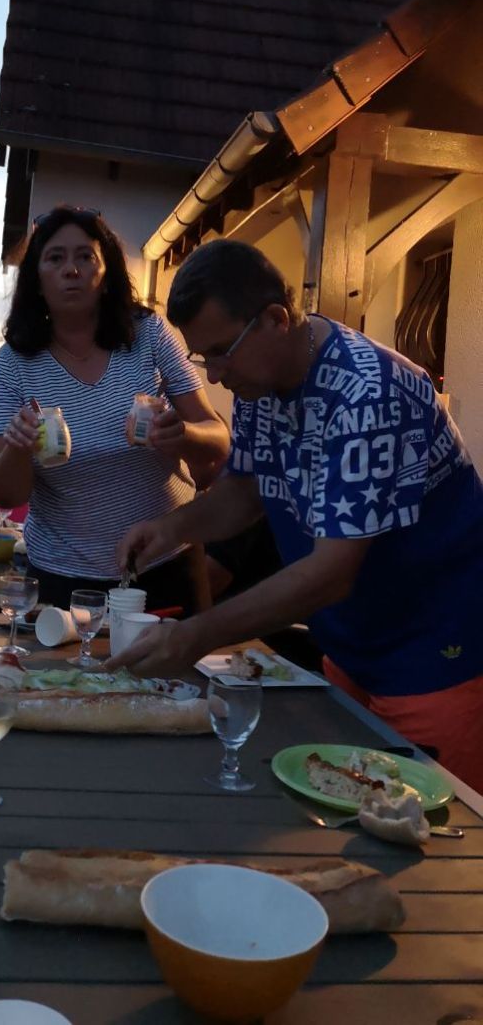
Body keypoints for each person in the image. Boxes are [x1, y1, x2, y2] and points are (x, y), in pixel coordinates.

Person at [110, 239, 483, 791]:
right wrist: (172, 527)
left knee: (430, 824)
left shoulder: (367, 394)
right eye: (203, 357)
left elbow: (331, 573)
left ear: (276, 319)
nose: (214, 376)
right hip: (349, 648)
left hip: (434, 653)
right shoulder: (261, 383)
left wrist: (195, 635)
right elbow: (246, 490)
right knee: (335, 813)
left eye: (221, 352)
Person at [0, 205, 230, 613]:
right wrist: (17, 448)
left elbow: (218, 439)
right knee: (65, 660)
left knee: (179, 658)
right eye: (55, 258)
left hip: (165, 561)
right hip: (61, 575)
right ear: (36, 280)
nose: (71, 270)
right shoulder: (15, 360)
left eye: (85, 257)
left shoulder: (149, 333)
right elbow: (1, 493)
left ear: (106, 274)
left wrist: (182, 434)